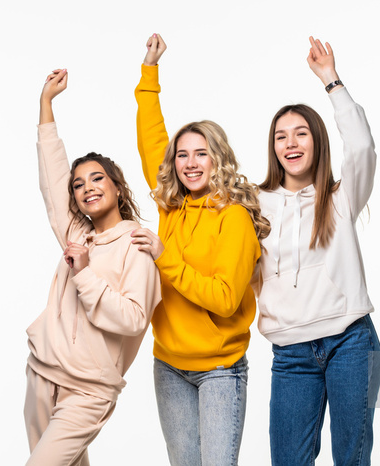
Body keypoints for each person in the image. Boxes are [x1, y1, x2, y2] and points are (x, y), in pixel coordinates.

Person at [131, 34, 270, 466]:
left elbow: (226, 299)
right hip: (168, 365)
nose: (190, 163)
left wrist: (162, 256)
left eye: (201, 154)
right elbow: (151, 137)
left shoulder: (234, 217)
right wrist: (149, 72)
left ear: (218, 159)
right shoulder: (172, 205)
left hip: (220, 369)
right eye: (182, 156)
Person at [254, 37, 380, 466]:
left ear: (316, 141)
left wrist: (331, 81)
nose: (290, 143)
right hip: (291, 353)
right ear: (273, 147)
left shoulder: (342, 197)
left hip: (350, 341)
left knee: (352, 459)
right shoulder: (252, 204)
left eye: (301, 133)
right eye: (281, 137)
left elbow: (362, 147)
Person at [24, 68, 161, 466]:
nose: (87, 188)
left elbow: (135, 318)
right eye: (79, 184)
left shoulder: (137, 245)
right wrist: (46, 105)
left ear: (117, 186)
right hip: (41, 371)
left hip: (87, 390)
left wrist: (83, 273)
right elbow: (52, 179)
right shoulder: (76, 233)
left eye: (97, 178)